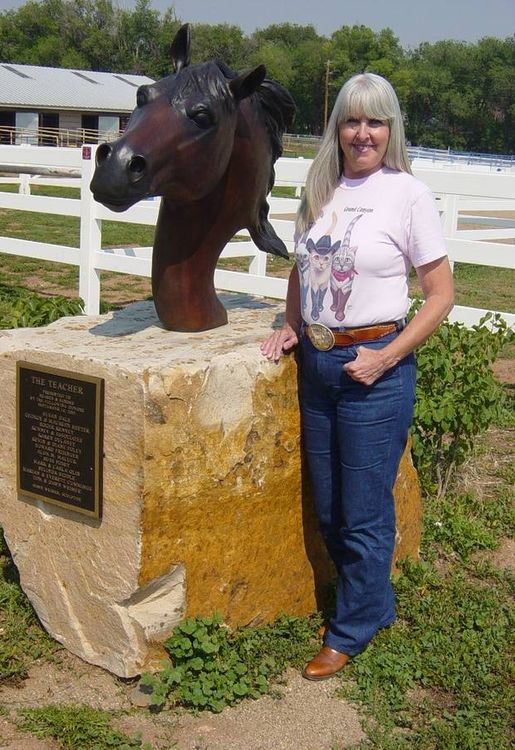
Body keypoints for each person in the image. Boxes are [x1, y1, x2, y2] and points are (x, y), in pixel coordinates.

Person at [261, 73, 454, 679]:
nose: (362, 132)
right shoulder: (320, 187)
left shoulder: (407, 195)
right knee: (330, 506)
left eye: (375, 121)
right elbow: (301, 267)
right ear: (336, 128)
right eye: (351, 120)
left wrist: (387, 355)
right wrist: (293, 323)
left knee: (364, 511)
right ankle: (372, 603)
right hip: (318, 366)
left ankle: (350, 628)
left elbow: (440, 294)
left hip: (374, 368)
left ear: (390, 129)